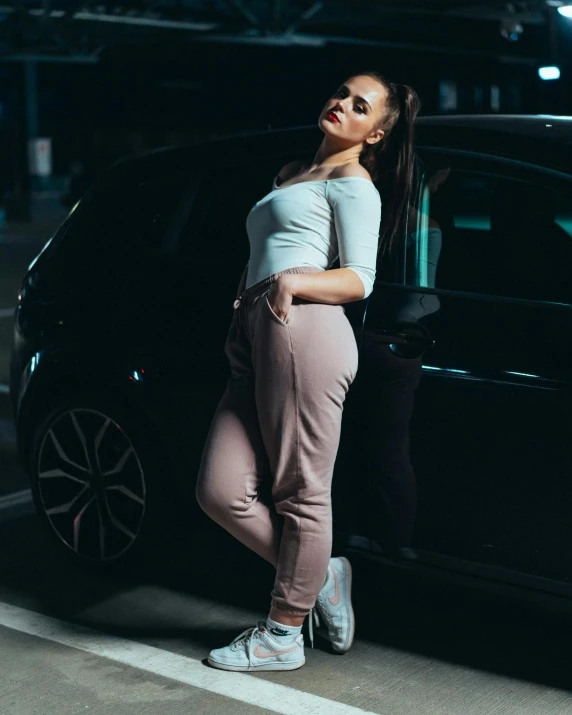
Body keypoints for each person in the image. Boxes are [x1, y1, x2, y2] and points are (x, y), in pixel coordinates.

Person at [196, 71, 420, 672]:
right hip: (257, 328)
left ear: (374, 133)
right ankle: (321, 576)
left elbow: (359, 279)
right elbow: (260, 250)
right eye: (342, 93)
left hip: (305, 329)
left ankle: (283, 634)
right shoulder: (295, 175)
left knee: (300, 491)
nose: (341, 104)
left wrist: (291, 284)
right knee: (220, 490)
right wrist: (241, 313)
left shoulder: (355, 182)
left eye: (360, 105)